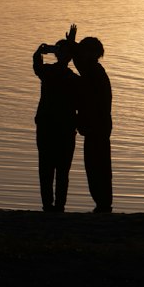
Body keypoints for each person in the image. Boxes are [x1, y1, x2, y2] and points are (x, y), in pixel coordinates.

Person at [31, 28, 80, 213]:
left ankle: (48, 206)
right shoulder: (74, 79)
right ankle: (59, 206)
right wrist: (71, 46)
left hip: (48, 126)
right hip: (65, 128)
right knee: (62, 170)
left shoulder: (49, 72)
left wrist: (40, 52)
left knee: (46, 168)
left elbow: (36, 65)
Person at [70, 35, 113, 212]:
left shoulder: (94, 71)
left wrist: (73, 46)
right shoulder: (94, 70)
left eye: (84, 50)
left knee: (97, 165)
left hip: (98, 126)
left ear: (93, 53)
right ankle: (102, 203)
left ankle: (103, 203)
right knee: (98, 164)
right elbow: (80, 63)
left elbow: (79, 64)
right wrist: (73, 45)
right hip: (98, 126)